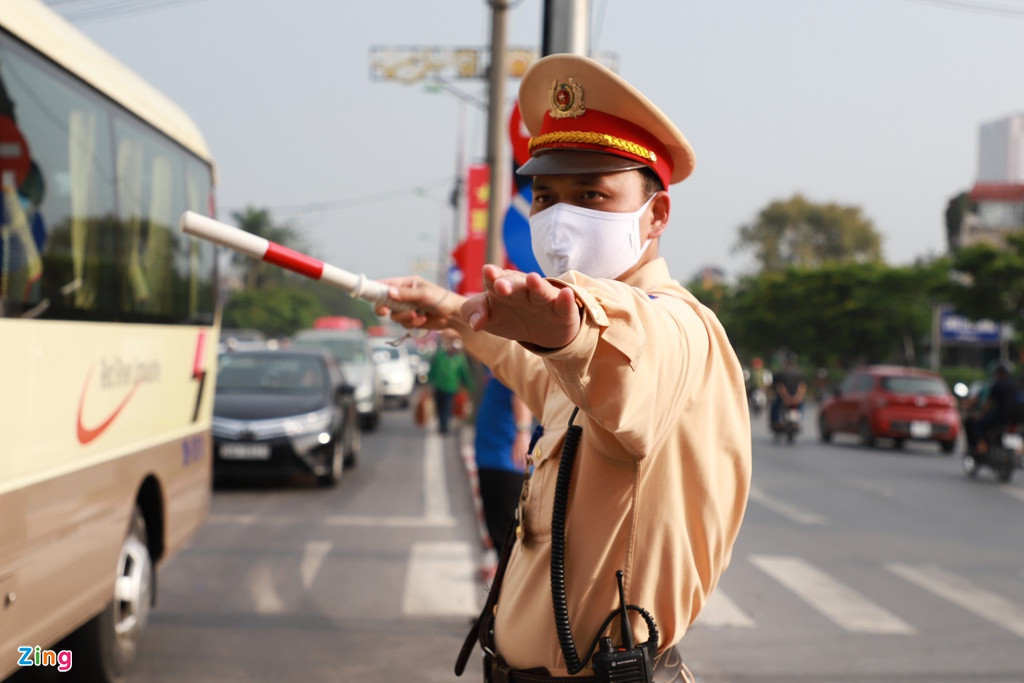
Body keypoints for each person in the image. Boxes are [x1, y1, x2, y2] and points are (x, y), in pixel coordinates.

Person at [378, 54, 751, 681]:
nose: (559, 216)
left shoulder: (680, 328)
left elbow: (627, 345)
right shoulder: (570, 359)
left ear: (656, 215)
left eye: (592, 194)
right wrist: (448, 311)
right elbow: (539, 372)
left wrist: (573, 331)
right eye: (545, 196)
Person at [474, 369, 532, 579]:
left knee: (508, 535)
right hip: (492, 456)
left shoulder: (512, 349)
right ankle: (500, 597)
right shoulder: (494, 354)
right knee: (499, 533)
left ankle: (505, 604)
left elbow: (520, 388)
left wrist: (523, 431)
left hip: (506, 459)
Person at [965, 362, 1020, 456]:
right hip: (1016, 419)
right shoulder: (1016, 385)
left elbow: (988, 404)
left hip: (1000, 418)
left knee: (978, 424)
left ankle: (982, 446)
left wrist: (980, 414)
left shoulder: (997, 385)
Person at [427, 331, 475, 435]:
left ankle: (444, 427)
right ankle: (442, 424)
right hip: (439, 386)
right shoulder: (440, 356)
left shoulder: (459, 359)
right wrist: (430, 381)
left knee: (447, 407)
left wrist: (469, 386)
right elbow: (434, 369)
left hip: (451, 387)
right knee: (439, 407)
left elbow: (464, 374)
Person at [770, 354, 807, 431]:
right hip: (795, 398)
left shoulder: (781, 374)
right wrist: (797, 397)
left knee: (775, 406)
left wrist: (786, 398)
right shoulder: (800, 373)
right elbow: (802, 387)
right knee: (802, 406)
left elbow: (780, 387)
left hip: (784, 398)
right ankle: (798, 422)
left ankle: (776, 422)